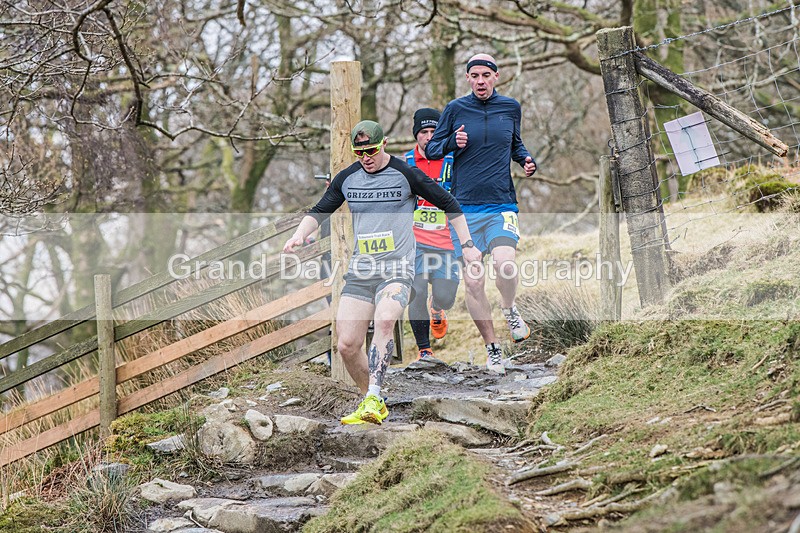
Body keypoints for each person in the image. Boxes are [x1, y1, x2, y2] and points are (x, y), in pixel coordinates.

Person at [283, 120, 481, 425]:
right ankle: (372, 400)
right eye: (359, 152)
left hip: (399, 266)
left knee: (385, 319)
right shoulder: (348, 178)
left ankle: (374, 393)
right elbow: (321, 209)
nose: (366, 157)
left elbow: (450, 204)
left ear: (384, 143)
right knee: (346, 345)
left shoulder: (405, 173)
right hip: (363, 269)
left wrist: (467, 245)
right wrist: (298, 235)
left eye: (372, 150)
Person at [426, 53, 538, 375]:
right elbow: (431, 149)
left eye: (485, 75)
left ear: (496, 77)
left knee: (505, 264)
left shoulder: (510, 108)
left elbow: (515, 145)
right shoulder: (455, 109)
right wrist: (452, 142)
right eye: (474, 75)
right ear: (467, 79)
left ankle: (510, 309)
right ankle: (493, 350)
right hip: (464, 210)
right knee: (474, 283)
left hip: (501, 203)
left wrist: (527, 160)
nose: (480, 81)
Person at [404, 108, 459, 360]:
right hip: (415, 243)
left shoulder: (453, 160)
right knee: (415, 292)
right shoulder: (406, 164)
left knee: (446, 297)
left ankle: (437, 309)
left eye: (433, 131)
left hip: (446, 242)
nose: (428, 137)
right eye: (423, 132)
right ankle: (424, 351)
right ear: (416, 136)